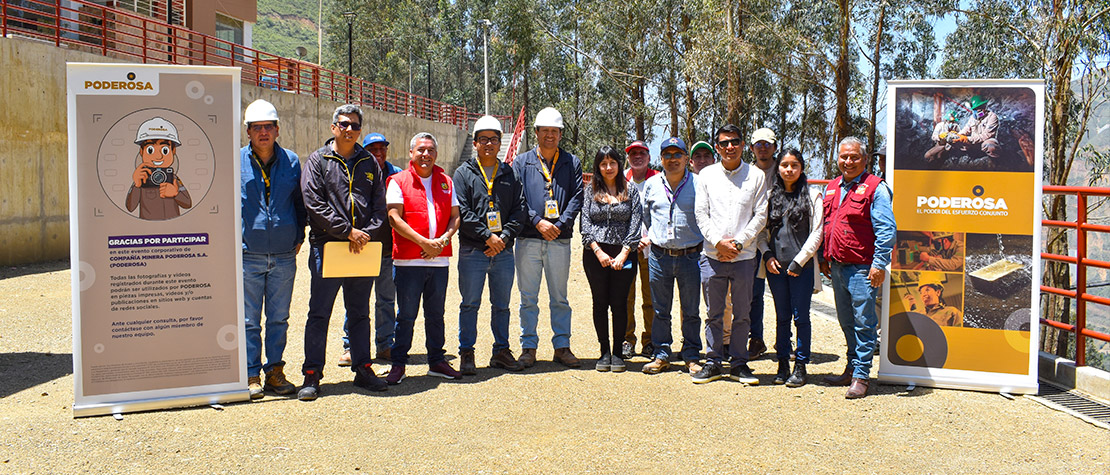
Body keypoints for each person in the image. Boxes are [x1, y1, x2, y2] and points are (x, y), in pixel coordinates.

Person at [299, 104, 388, 400]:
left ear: (360, 129)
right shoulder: (318, 161)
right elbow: (314, 204)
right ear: (333, 127)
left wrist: (366, 235)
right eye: (344, 124)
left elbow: (379, 205)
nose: (349, 129)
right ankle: (312, 374)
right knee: (319, 313)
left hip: (361, 247)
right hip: (329, 247)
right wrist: (346, 231)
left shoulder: (369, 162)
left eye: (354, 125)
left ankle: (363, 368)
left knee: (360, 312)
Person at [819, 136, 896, 400]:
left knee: (865, 323)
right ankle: (851, 368)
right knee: (847, 322)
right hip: (837, 267)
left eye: (854, 157)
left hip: (863, 269)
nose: (848, 161)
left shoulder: (877, 188)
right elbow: (826, 225)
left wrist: (879, 264)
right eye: (844, 157)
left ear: (864, 160)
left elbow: (886, 230)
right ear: (837, 158)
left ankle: (862, 376)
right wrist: (823, 258)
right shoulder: (832, 187)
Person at [692, 124, 768, 385]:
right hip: (712, 256)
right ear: (717, 147)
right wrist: (718, 243)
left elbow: (760, 215)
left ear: (743, 144)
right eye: (724, 143)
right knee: (713, 311)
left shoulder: (756, 176)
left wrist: (737, 243)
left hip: (744, 257)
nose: (729, 147)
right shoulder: (706, 175)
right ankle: (712, 362)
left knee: (742, 313)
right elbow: (701, 214)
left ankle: (739, 364)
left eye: (734, 141)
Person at [384, 132, 462, 384]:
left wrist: (443, 241)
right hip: (409, 261)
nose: (425, 154)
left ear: (436, 154)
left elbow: (455, 216)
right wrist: (425, 243)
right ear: (411, 153)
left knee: (436, 314)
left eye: (430, 150)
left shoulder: (446, 181)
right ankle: (399, 364)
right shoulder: (398, 180)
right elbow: (394, 218)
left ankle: (437, 361)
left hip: (438, 261)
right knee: (406, 315)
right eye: (420, 150)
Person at [239, 99, 305, 399]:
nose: (263, 132)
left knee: (279, 318)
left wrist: (299, 235)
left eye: (268, 127)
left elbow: (300, 203)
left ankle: (275, 372)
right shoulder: (235, 163)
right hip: (247, 253)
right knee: (249, 320)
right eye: (256, 128)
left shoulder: (291, 161)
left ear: (277, 130)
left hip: (283, 254)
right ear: (248, 132)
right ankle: (251, 374)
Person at [512, 107, 585, 368]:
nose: (550, 136)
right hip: (529, 239)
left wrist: (561, 223)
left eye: (555, 131)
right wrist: (537, 221)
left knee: (560, 297)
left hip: (560, 240)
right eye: (545, 131)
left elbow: (577, 196)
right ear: (537, 133)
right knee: (528, 297)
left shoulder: (571, 162)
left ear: (560, 134)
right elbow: (517, 198)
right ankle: (528, 347)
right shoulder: (521, 162)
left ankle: (562, 346)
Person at [454, 116, 528, 374]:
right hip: (473, 250)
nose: (488, 144)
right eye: (483, 139)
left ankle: (501, 351)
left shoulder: (510, 173)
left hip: (504, 252)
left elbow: (520, 210)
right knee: (470, 303)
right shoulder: (463, 173)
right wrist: (488, 236)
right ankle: (467, 353)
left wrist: (504, 237)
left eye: (493, 139)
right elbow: (462, 211)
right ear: (474, 143)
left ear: (499, 143)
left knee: (502, 305)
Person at [338, 132, 403, 367]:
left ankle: (385, 344)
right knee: (357, 300)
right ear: (364, 151)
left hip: (386, 249)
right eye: (372, 149)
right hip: (361, 247)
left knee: (386, 299)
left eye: (382, 148)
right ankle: (350, 346)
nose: (378, 153)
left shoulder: (395, 174)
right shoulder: (356, 171)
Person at [759, 149, 822, 387]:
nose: (789, 170)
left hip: (801, 269)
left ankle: (801, 365)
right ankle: (782, 362)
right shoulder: (769, 197)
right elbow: (761, 234)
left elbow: (817, 232)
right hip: (776, 268)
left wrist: (800, 261)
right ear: (778, 168)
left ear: (802, 168)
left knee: (801, 317)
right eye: (784, 165)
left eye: (794, 165)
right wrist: (766, 256)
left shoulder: (813, 196)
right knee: (782, 317)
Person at [642, 137, 704, 376]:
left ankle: (691, 355)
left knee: (691, 310)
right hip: (659, 256)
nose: (672, 159)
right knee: (660, 310)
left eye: (677, 154)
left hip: (691, 256)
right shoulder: (651, 184)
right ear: (661, 159)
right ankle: (662, 354)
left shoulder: (698, 184)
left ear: (687, 158)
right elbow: (646, 216)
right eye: (667, 154)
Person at [581, 146, 643, 372]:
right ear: (598, 167)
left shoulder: (631, 190)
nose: (608, 168)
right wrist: (598, 251)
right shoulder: (590, 190)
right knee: (600, 302)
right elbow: (585, 224)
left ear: (619, 164)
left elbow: (635, 223)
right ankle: (604, 351)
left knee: (619, 302)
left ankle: (618, 352)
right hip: (595, 255)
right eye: (603, 164)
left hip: (623, 254)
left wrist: (624, 253)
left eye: (612, 163)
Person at [622, 140, 658, 360]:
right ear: (628, 157)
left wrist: (650, 238)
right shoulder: (622, 178)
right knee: (626, 296)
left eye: (642, 153)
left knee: (650, 296)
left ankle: (650, 340)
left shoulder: (658, 178)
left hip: (650, 247)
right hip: (626, 247)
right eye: (633, 153)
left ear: (648, 156)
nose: (637, 157)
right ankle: (627, 339)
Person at [746, 127, 778, 359]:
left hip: (781, 239)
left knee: (784, 294)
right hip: (753, 240)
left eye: (768, 144)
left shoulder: (785, 169)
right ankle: (756, 338)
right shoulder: (746, 173)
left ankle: (785, 341)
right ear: (752, 148)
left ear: (775, 147)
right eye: (759, 144)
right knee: (754, 293)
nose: (763, 148)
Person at [127, 117, 193, 220]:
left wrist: (176, 194)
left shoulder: (173, 179)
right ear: (141, 151)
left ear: (173, 151)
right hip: (146, 229)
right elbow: (130, 208)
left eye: (165, 150)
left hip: (175, 229)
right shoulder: (142, 177)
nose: (158, 157)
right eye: (150, 150)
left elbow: (188, 204)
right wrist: (136, 185)